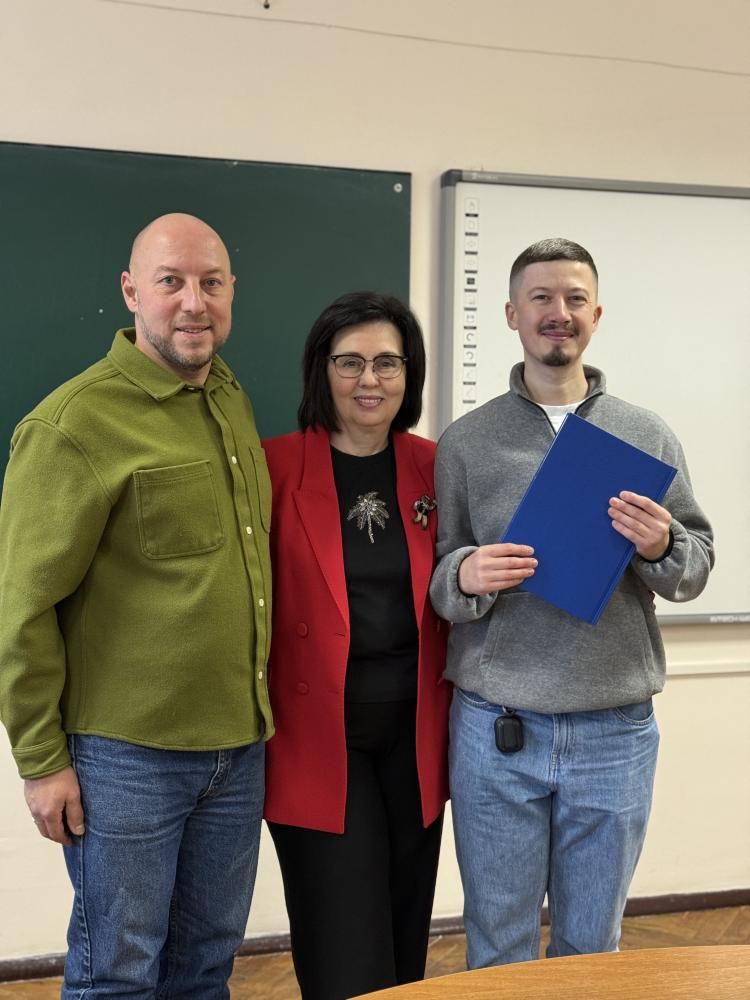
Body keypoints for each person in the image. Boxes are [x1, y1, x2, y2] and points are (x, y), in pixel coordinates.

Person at [0, 213, 273, 998]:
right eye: (171, 281)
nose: (194, 302)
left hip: (237, 750)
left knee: (205, 967)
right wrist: (41, 761)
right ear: (130, 292)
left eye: (211, 283)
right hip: (125, 762)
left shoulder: (229, 398)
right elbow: (21, 609)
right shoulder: (71, 425)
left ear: (231, 291)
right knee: (115, 974)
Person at [429, 238, 714, 969]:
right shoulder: (465, 442)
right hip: (498, 729)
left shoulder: (646, 434)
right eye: (542, 298)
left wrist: (661, 546)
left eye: (575, 299)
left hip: (613, 730)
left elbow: (693, 568)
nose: (559, 312)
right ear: (511, 315)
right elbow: (438, 578)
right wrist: (465, 575)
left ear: (596, 314)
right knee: (499, 946)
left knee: (593, 948)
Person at [262, 291, 451, 1000]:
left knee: (404, 940)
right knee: (343, 944)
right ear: (322, 370)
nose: (369, 380)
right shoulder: (272, 467)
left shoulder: (437, 466)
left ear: (409, 374)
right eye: (350, 362)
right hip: (316, 735)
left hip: (416, 735)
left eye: (387, 363)